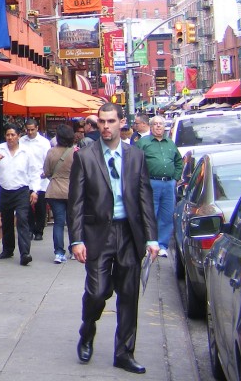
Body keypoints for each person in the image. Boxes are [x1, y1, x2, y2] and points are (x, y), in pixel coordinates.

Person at [69, 103, 158, 374]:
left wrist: (152, 238)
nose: (105, 127)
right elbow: (76, 202)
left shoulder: (136, 156)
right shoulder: (85, 157)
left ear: (122, 123)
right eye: (101, 122)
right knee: (97, 292)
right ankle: (87, 329)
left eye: (110, 121)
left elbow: (145, 198)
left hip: (129, 234)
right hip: (98, 234)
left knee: (129, 296)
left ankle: (124, 353)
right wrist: (76, 240)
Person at [0, 125, 40, 265]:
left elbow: (34, 171)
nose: (10, 138)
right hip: (5, 190)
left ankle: (25, 253)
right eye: (8, 135)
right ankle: (8, 249)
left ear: (18, 136)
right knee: (6, 221)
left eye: (13, 135)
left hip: (21, 190)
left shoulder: (26, 151)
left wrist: (35, 190)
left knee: (22, 220)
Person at [135, 115, 182, 258]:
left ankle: (162, 245)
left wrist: (175, 178)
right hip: (151, 183)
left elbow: (179, 161)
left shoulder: (170, 143)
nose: (158, 126)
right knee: (150, 213)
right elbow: (134, 161)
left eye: (161, 124)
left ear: (165, 126)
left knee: (167, 215)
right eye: (155, 124)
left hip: (168, 184)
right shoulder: (143, 143)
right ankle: (149, 242)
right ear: (151, 126)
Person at [43, 123, 77, 264]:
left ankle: (59, 252)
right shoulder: (76, 152)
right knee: (73, 222)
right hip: (72, 190)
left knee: (58, 222)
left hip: (55, 190)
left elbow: (46, 171)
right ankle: (74, 250)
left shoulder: (51, 152)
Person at [21, 120, 51, 241]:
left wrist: (46, 172)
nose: (30, 132)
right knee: (26, 206)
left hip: (40, 178)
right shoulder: (22, 141)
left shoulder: (44, 143)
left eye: (32, 129)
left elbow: (48, 159)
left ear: (37, 128)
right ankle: (29, 229)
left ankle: (39, 231)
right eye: (28, 129)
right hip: (26, 178)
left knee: (40, 206)